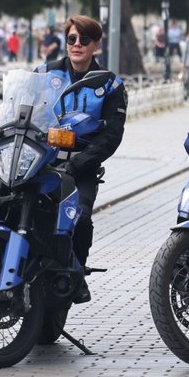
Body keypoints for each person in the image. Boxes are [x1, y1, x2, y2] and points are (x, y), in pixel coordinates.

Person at [44, 15, 126, 299]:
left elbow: (112, 136)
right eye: (71, 39)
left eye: (84, 40)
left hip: (81, 168)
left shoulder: (110, 84)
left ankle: (76, 274)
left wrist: (78, 163)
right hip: (40, 162)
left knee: (80, 219)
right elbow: (25, 107)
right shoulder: (46, 74)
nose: (77, 45)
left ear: (96, 46)